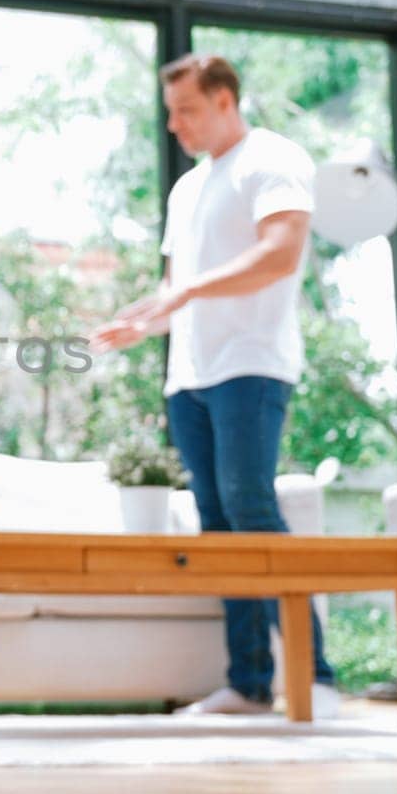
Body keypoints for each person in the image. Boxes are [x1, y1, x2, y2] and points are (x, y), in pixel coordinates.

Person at [90, 54, 339, 718]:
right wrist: (144, 321)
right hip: (189, 375)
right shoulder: (186, 189)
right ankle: (251, 683)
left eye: (187, 110)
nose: (175, 125)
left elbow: (280, 254)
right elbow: (178, 286)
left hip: (250, 364)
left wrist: (189, 291)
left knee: (253, 509)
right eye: (171, 113)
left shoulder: (272, 159)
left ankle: (317, 678)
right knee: (218, 526)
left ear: (225, 99)